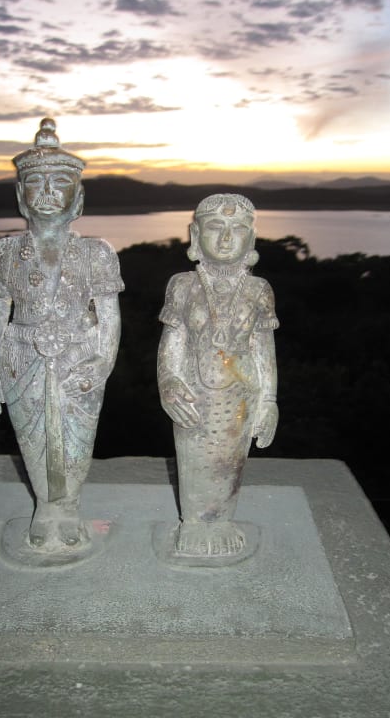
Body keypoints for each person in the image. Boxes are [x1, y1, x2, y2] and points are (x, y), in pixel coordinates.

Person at [0, 118, 123, 550]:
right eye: (34, 182)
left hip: (80, 356)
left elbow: (110, 316)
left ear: (78, 197)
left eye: (59, 182)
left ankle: (70, 507)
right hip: (20, 355)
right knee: (32, 436)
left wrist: (103, 361)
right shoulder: (3, 253)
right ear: (19, 195)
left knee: (77, 436)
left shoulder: (97, 253)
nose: (46, 191)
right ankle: (45, 507)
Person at [157, 194, 278, 558]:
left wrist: (269, 401)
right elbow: (172, 342)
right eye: (215, 227)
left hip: (242, 392)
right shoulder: (182, 285)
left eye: (237, 229)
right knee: (192, 456)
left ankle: (222, 520)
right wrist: (168, 382)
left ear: (251, 238)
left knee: (231, 461)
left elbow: (263, 349)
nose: (226, 239)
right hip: (192, 389)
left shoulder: (258, 289)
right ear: (195, 235)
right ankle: (194, 522)